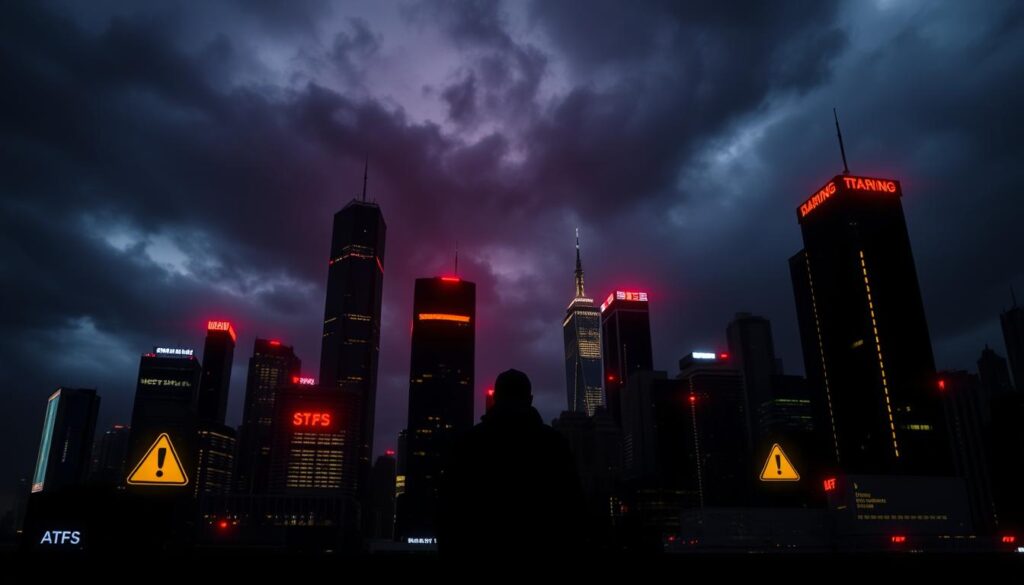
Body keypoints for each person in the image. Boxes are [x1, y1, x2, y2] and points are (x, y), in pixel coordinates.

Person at [437, 368, 585, 556]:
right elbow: (573, 509)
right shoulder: (554, 444)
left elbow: (449, 509)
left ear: (496, 398)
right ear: (530, 399)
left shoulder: (469, 443)